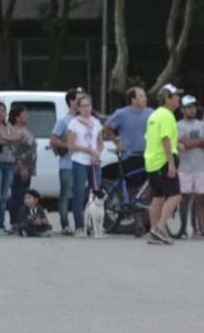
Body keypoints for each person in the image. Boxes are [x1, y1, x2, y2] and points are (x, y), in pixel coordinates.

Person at [103, 86, 153, 234]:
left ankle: (145, 200)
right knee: (133, 188)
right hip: (130, 155)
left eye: (144, 95)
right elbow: (106, 128)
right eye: (141, 96)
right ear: (133, 99)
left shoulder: (151, 113)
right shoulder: (122, 114)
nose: (144, 98)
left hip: (148, 154)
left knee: (153, 180)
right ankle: (138, 223)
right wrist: (117, 142)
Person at [143, 83, 182, 245]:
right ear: (167, 99)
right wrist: (171, 164)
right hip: (162, 161)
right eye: (176, 96)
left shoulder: (154, 114)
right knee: (175, 195)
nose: (178, 99)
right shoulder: (167, 115)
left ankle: (154, 231)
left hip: (151, 161)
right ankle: (159, 228)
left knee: (158, 197)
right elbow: (165, 138)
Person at [176, 94, 204, 238]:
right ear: (183, 109)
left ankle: (202, 229)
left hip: (201, 167)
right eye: (188, 107)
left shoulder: (201, 124)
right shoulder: (178, 125)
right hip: (184, 167)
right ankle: (183, 228)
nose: (192, 110)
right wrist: (199, 141)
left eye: (193, 107)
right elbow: (183, 144)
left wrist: (191, 142)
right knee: (184, 198)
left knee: (201, 199)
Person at [67, 94, 103, 237]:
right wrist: (88, 150)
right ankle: (79, 226)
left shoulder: (96, 122)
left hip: (94, 162)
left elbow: (100, 142)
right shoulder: (74, 123)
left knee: (96, 193)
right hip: (80, 161)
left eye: (88, 106)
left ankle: (96, 227)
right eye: (83, 106)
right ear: (78, 108)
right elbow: (71, 145)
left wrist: (97, 153)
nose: (86, 109)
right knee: (79, 193)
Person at [49, 89, 80, 235]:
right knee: (66, 194)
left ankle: (80, 225)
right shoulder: (64, 121)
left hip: (82, 164)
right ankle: (65, 224)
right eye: (78, 99)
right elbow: (53, 139)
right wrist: (68, 146)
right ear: (72, 102)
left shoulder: (85, 120)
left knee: (78, 195)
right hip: (67, 164)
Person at [0, 101, 21, 235]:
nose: (1, 113)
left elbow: (17, 136)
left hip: (9, 162)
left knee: (4, 195)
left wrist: (4, 137)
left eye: (3, 110)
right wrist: (7, 139)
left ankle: (2, 224)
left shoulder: (7, 125)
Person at [8, 104, 37, 234]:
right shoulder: (15, 131)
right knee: (17, 196)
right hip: (19, 169)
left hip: (28, 169)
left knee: (24, 196)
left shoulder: (25, 130)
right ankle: (15, 222)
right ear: (17, 117)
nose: (27, 116)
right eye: (24, 114)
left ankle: (23, 221)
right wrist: (21, 168)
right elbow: (15, 152)